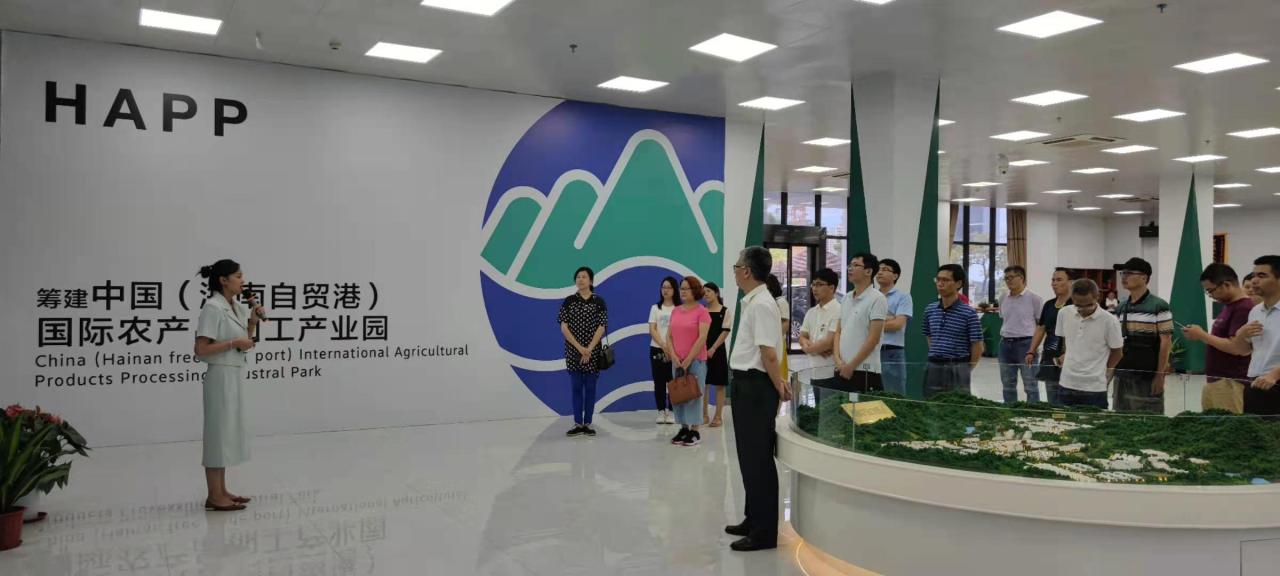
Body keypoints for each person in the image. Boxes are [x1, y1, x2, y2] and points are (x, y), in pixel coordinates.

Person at [725, 247, 792, 552]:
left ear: (747, 271)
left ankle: (764, 532)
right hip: (745, 384)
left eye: (737, 266)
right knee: (748, 457)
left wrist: (779, 386)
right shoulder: (753, 301)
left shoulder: (763, 304)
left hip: (756, 387)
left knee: (758, 460)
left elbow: (768, 353)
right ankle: (752, 518)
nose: (734, 270)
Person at [194, 259, 263, 512]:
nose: (243, 281)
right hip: (219, 377)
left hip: (234, 374)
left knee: (226, 434)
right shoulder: (213, 307)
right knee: (217, 435)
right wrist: (233, 343)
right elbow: (201, 349)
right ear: (223, 280)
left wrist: (252, 322)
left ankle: (221, 491)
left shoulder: (236, 307)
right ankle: (214, 495)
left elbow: (245, 341)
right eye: (238, 276)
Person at [1180, 263, 1254, 413]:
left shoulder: (1243, 308)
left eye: (1210, 291)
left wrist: (1202, 335)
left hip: (1230, 381)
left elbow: (1236, 347)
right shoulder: (1229, 306)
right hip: (1217, 380)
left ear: (1226, 285)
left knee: (1226, 424)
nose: (1211, 296)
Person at [1216, 256, 1280, 415]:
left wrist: (1274, 375)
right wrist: (1242, 334)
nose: (1254, 281)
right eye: (1253, 276)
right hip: (1255, 383)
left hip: (1275, 380)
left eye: (1262, 276)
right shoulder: (1255, 311)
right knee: (1254, 429)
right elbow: (1243, 350)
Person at [1112, 257, 1172, 413]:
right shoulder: (1121, 307)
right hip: (1122, 373)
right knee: (1120, 417)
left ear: (1144, 278)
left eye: (1129, 273)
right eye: (1123, 273)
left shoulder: (1159, 306)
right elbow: (1115, 343)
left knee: (1147, 418)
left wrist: (1160, 375)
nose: (1124, 277)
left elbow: (1165, 342)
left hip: (1146, 375)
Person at [1054, 279, 1125, 408]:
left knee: (1094, 421)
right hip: (1066, 383)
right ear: (1072, 298)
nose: (1083, 309)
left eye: (1089, 305)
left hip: (1095, 387)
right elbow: (1066, 341)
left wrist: (1103, 371)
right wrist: (1067, 355)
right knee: (1063, 420)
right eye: (1078, 305)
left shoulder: (1110, 321)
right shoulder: (1064, 313)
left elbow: (1117, 352)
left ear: (1098, 297)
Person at [559, 267, 608, 437]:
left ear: (591, 281)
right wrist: (580, 348)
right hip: (573, 351)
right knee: (576, 387)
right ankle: (577, 423)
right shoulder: (569, 301)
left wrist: (589, 349)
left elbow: (602, 326)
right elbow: (563, 327)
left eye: (584, 277)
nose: (580, 279)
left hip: (593, 352)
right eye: (578, 277)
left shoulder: (599, 301)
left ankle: (587, 423)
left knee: (591, 388)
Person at [922, 264, 984, 398]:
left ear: (958, 283)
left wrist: (966, 369)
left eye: (946, 280)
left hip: (958, 366)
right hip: (934, 365)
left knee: (958, 404)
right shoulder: (930, 310)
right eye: (938, 279)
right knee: (931, 403)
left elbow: (977, 346)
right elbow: (929, 336)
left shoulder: (969, 313)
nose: (940, 284)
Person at [666, 277, 712, 446]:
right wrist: (673, 355)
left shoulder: (702, 311)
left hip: (696, 361)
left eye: (686, 288)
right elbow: (669, 336)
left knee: (694, 394)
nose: (683, 291)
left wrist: (688, 359)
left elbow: (702, 338)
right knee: (680, 395)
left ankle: (695, 430)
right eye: (681, 288)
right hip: (677, 362)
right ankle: (684, 428)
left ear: (695, 291)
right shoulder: (676, 311)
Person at [832, 254, 888, 393]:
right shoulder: (846, 298)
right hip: (842, 368)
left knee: (866, 406)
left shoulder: (877, 298)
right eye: (850, 265)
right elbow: (838, 331)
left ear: (868, 271)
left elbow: (873, 339)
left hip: (865, 370)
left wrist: (851, 366)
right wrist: (837, 360)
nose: (850, 268)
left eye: (856, 265)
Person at [999, 265, 1044, 403]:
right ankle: (1010, 411)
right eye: (1006, 278)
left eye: (1011, 277)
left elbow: (1041, 325)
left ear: (1021, 278)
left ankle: (1033, 412)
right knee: (1007, 384)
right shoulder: (1003, 297)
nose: (1008, 281)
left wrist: (1033, 349)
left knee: (1031, 385)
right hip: (1005, 344)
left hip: (1026, 345)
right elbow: (1004, 319)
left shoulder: (1035, 299)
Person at [1027, 268, 1072, 405]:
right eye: (1053, 280)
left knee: (1068, 399)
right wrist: (1031, 350)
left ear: (1070, 282)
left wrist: (1068, 353)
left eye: (1059, 280)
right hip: (1049, 357)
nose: (1054, 283)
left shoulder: (1075, 305)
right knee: (1052, 397)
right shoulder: (1048, 304)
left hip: (1070, 359)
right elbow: (1041, 328)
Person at [798, 268, 841, 403]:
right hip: (814, 371)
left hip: (831, 372)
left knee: (830, 411)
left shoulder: (838, 310)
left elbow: (828, 343)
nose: (815, 289)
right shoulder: (811, 312)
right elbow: (802, 337)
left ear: (832, 287)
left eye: (819, 284)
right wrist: (815, 349)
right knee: (819, 410)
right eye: (813, 284)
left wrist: (808, 349)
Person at [877, 259, 913, 396]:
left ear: (895, 276)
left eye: (885, 269)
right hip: (871, 350)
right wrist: (889, 317)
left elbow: (897, 325)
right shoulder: (871, 297)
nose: (880, 272)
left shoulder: (903, 297)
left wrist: (874, 323)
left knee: (895, 395)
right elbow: (862, 324)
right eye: (879, 269)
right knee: (872, 393)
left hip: (893, 351)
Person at [649, 277, 679, 424]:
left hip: (675, 350)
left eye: (669, 287)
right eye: (663, 287)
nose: (665, 290)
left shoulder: (679, 308)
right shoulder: (655, 308)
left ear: (674, 290)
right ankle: (661, 411)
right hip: (657, 349)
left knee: (673, 381)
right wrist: (663, 345)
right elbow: (652, 329)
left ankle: (672, 411)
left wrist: (671, 348)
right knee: (659, 381)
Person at [702, 282, 733, 427]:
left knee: (720, 384)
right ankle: (704, 415)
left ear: (716, 293)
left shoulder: (724, 311)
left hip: (718, 350)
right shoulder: (702, 311)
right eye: (704, 292)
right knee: (704, 383)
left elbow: (725, 331)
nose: (706, 294)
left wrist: (713, 348)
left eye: (708, 291)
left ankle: (718, 416)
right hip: (702, 350)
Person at [765, 274, 790, 381]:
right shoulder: (767, 302)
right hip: (768, 342)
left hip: (777, 342)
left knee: (779, 373)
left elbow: (786, 323)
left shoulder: (780, 301)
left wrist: (776, 338)